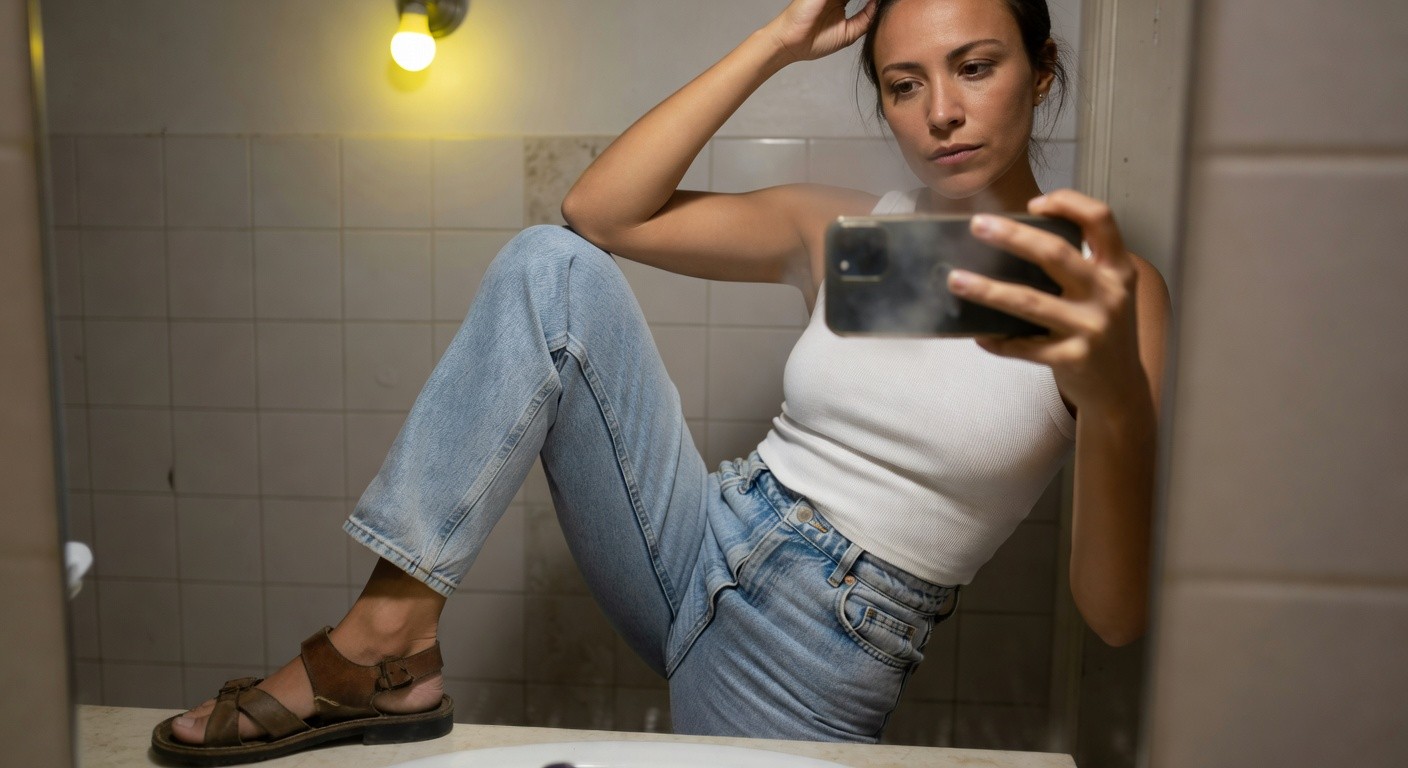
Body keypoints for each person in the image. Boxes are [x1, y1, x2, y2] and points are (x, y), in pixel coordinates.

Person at [152, 0, 1170, 761]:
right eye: (904, 84)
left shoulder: (1104, 293)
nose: (941, 112)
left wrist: (1115, 398)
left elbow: (1114, 616)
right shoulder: (862, 241)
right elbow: (601, 212)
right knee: (549, 267)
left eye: (975, 67)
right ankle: (384, 643)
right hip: (695, 534)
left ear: (1042, 71)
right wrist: (774, 43)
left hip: (819, 640)